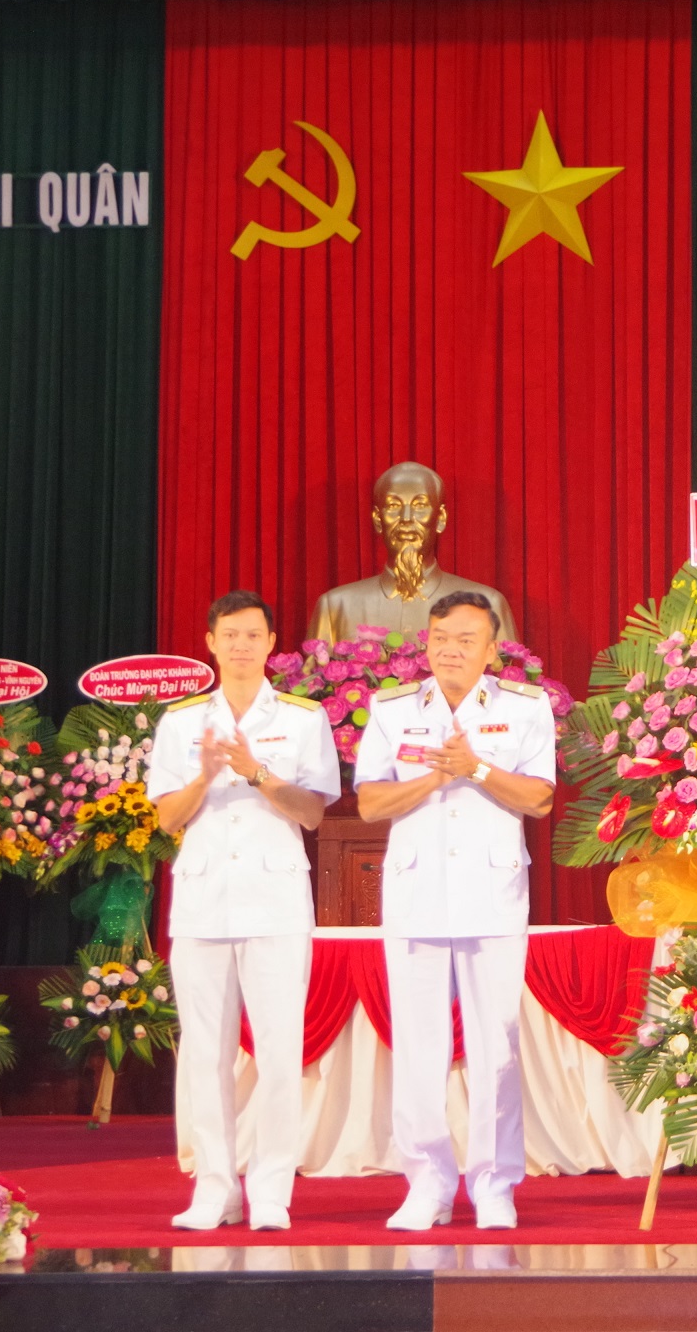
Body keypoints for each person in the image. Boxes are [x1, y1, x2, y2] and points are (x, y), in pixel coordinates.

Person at [354, 591, 557, 1231]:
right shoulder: (392, 709)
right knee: (418, 1048)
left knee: (496, 1047)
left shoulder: (525, 707)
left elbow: (540, 799)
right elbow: (369, 804)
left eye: (466, 640)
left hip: (492, 896)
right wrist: (435, 779)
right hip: (415, 894)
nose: (450, 650)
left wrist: (476, 769)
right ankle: (428, 1185)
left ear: (492, 649)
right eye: (440, 638)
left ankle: (494, 1186)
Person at [148, 590, 341, 1233]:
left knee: (280, 1051)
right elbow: (167, 818)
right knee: (205, 1053)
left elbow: (313, 814)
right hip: (202, 903)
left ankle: (272, 1191)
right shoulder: (181, 722)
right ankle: (215, 1189)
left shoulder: (303, 717)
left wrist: (257, 772)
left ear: (271, 644)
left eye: (253, 635)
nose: (240, 646)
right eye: (229, 634)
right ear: (210, 642)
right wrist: (204, 775)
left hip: (275, 903)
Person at [308, 461, 518, 645]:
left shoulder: (487, 605)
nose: (406, 518)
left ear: (440, 518)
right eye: (393, 505)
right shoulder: (335, 607)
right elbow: (312, 678)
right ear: (378, 520)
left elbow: (507, 675)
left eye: (420, 505)